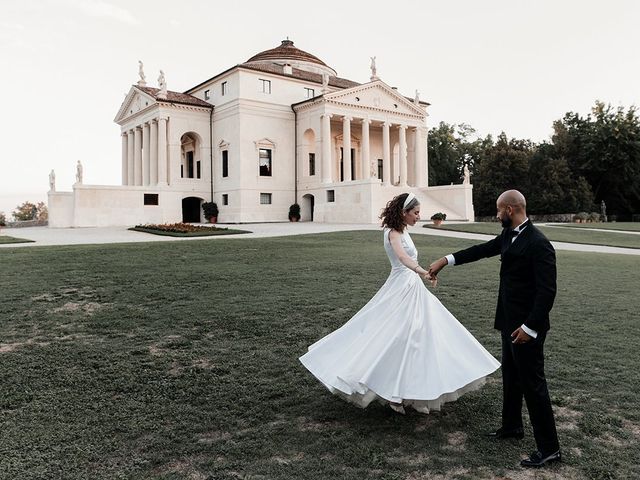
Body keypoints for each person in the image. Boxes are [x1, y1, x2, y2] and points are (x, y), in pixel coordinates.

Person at [299, 193, 500, 415]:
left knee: (418, 336)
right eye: (415, 213)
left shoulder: (403, 230)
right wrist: (422, 271)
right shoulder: (393, 232)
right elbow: (403, 258)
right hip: (401, 285)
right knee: (397, 336)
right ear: (404, 212)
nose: (418, 216)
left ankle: (410, 393)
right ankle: (393, 393)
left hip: (411, 285)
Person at [428, 190, 561, 468]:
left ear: (510, 210)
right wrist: (445, 260)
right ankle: (511, 427)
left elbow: (547, 292)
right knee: (512, 378)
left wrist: (530, 327)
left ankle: (549, 449)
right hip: (509, 322)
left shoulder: (539, 243)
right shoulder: (508, 236)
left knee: (533, 386)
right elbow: (480, 250)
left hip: (527, 329)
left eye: (499, 210)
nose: (497, 214)